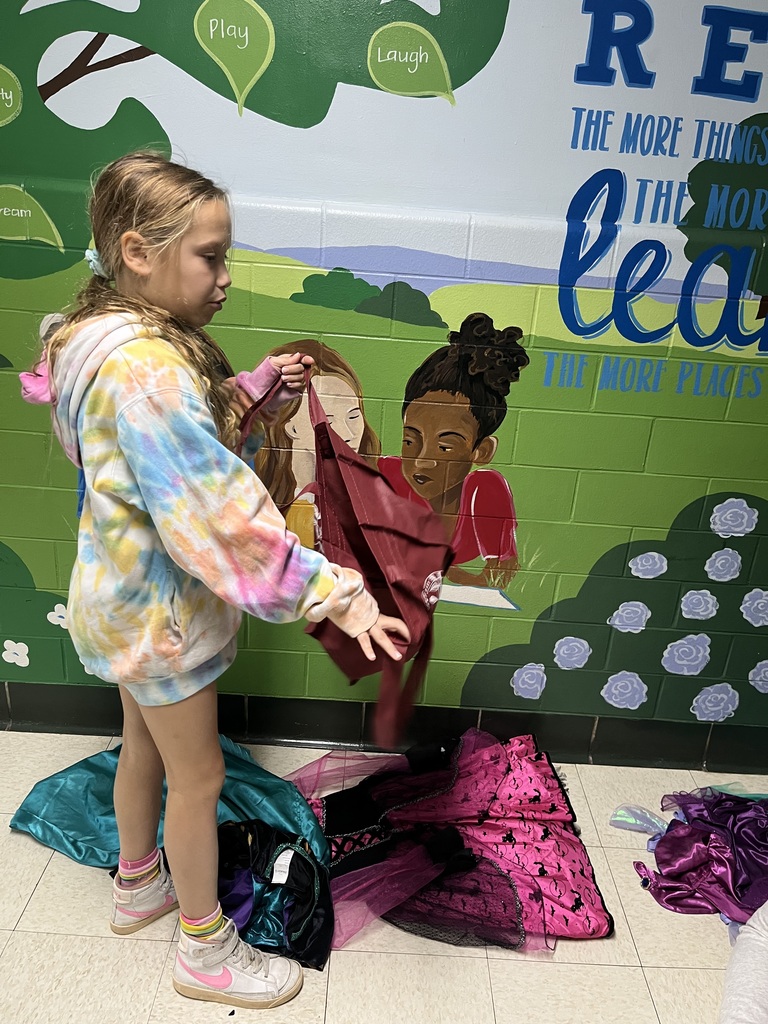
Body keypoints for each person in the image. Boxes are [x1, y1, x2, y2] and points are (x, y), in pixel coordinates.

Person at [35, 151, 407, 1010]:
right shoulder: (149, 369)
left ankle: (139, 884)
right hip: (162, 618)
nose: (226, 277)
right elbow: (216, 514)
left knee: (142, 745)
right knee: (198, 777)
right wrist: (339, 595)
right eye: (210, 256)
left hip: (120, 600)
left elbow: (168, 448)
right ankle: (205, 951)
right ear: (138, 252)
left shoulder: (99, 341)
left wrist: (256, 389)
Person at [379, 312, 529, 592]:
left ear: (481, 451)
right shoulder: (389, 476)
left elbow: (498, 577)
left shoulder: (485, 491)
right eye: (410, 441)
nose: (422, 460)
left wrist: (446, 576)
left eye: (445, 447)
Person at [254, 339, 380, 547]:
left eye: (353, 416)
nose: (348, 434)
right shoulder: (257, 497)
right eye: (328, 420)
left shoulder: (370, 498)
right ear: (292, 427)